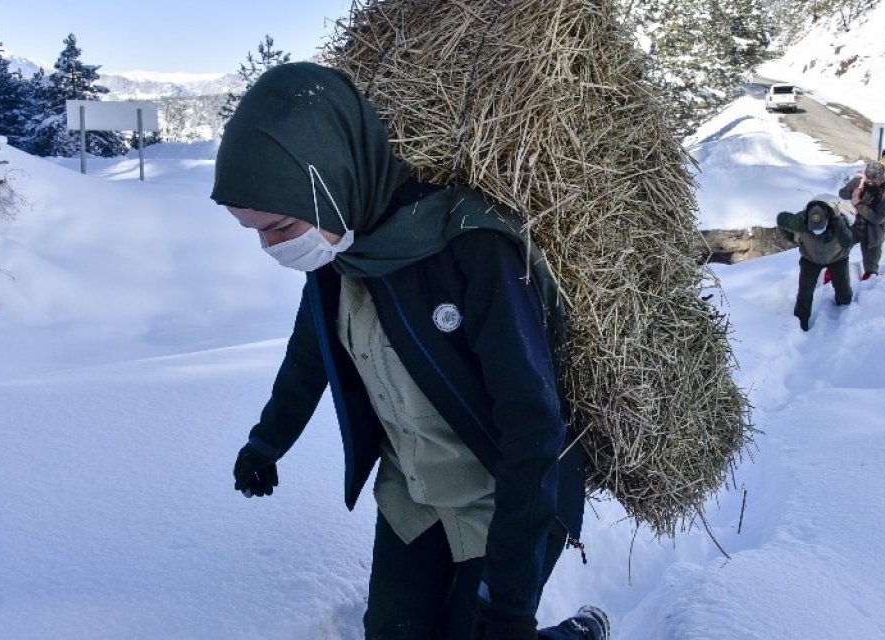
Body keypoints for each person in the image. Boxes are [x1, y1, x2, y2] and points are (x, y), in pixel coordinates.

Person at [210, 62, 609, 640]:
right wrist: (268, 442)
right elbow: (309, 354)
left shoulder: (473, 250)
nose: (272, 247)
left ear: (332, 180)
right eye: (255, 232)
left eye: (279, 225)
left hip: (505, 498)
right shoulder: (337, 254)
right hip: (413, 497)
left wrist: (512, 605)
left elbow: (533, 423)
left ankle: (579, 632)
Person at [776, 194, 856, 331]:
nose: (818, 233)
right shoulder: (800, 221)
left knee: (843, 289)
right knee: (804, 293)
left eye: (821, 230)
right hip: (810, 259)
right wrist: (794, 238)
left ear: (827, 220)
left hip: (837, 258)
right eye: (814, 230)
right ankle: (800, 325)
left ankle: (844, 314)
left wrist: (838, 220)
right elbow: (781, 218)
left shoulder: (839, 220)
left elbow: (848, 241)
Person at [839, 161, 885, 280]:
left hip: (873, 233)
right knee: (839, 249)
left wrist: (858, 204)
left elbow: (878, 219)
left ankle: (868, 292)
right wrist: (852, 193)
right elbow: (842, 193)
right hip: (856, 227)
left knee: (871, 269)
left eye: (873, 180)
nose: (869, 183)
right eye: (868, 179)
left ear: (882, 178)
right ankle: (833, 277)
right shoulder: (859, 182)